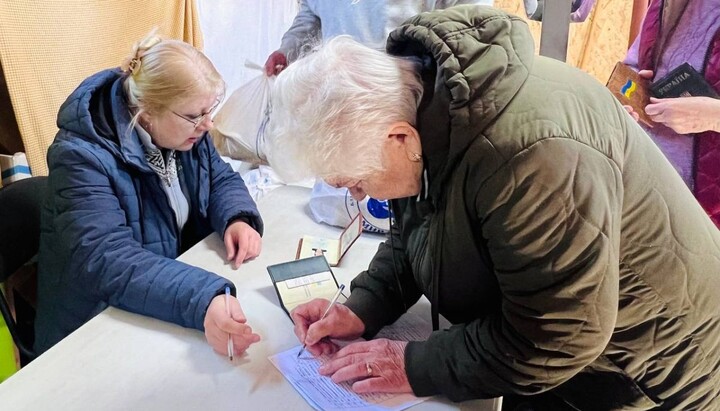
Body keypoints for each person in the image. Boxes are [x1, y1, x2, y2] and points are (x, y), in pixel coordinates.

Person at [266, 6, 720, 410]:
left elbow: (560, 333)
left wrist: (416, 365)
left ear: (399, 139)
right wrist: (363, 306)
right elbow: (418, 232)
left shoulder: (532, 155)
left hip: (651, 372)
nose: (360, 196)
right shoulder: (422, 107)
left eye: (357, 182)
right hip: (572, 360)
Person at [34, 31, 264, 357]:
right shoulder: (79, 156)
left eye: (209, 110)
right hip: (92, 328)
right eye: (195, 115)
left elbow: (219, 178)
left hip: (157, 297)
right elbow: (109, 260)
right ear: (146, 112)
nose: (207, 125)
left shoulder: (185, 133)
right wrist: (201, 297)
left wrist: (236, 217)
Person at [624, 0, 720, 228]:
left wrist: (714, 116)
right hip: (638, 173)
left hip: (699, 211)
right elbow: (634, 63)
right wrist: (626, 99)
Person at [264, 0, 494, 76]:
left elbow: (472, 16)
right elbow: (310, 14)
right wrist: (287, 51)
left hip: (410, 92)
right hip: (339, 89)